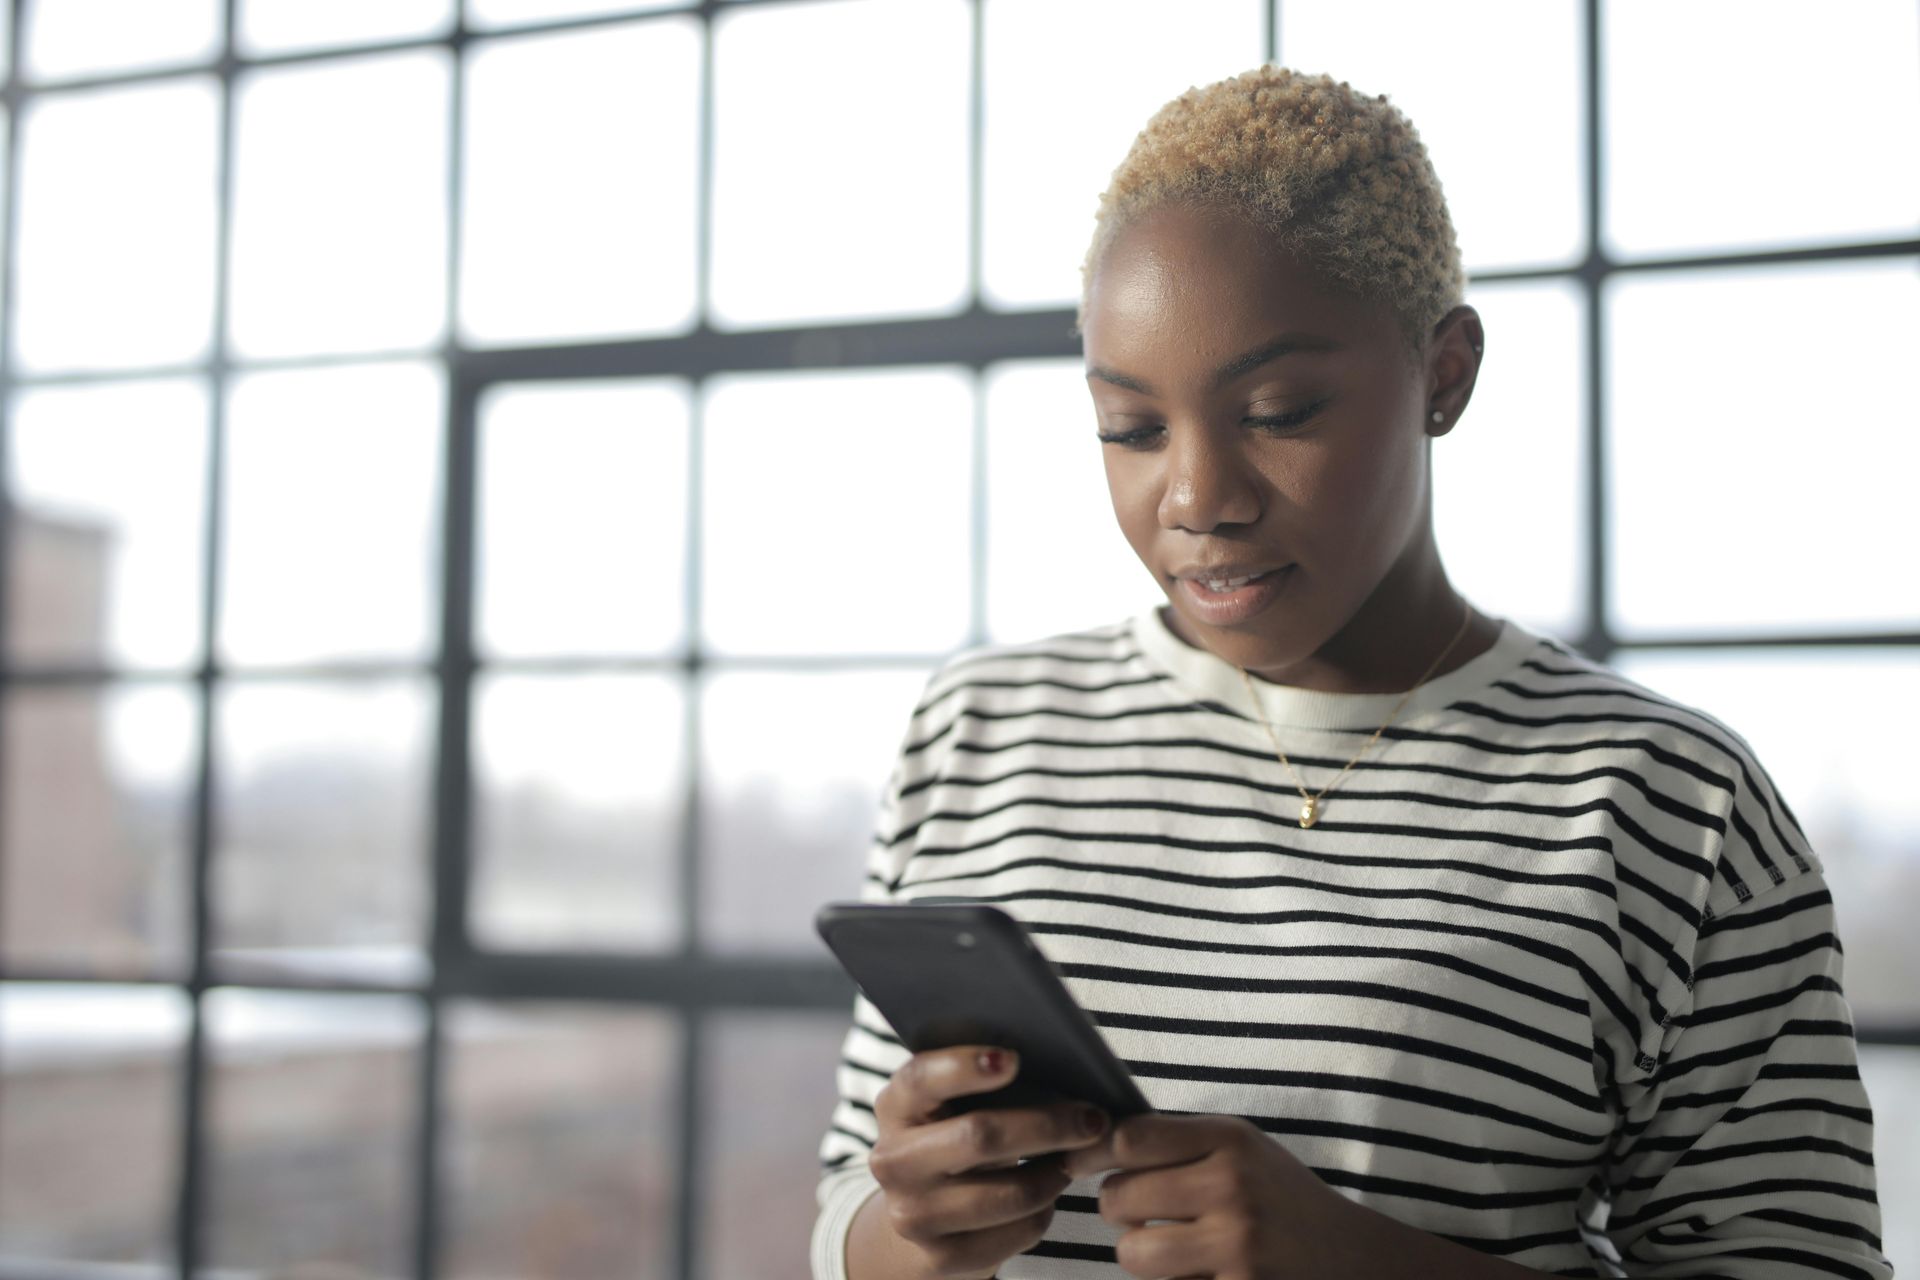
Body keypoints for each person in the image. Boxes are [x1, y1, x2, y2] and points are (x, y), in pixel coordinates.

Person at [810, 65, 1890, 1280]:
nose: (1196, 499)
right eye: (1131, 427)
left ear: (1444, 374)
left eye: (1278, 409)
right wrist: (905, 1228)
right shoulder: (983, 726)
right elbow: (853, 1189)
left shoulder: (1668, 804)